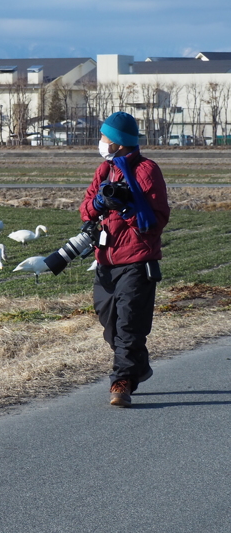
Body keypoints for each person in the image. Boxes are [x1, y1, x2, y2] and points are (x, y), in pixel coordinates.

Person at [79, 112, 170, 407]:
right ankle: (138, 367)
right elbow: (85, 210)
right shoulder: (104, 171)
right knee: (111, 325)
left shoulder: (147, 171)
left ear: (118, 143)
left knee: (129, 324)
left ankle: (122, 381)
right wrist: (98, 203)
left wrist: (129, 209)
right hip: (106, 260)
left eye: (105, 138)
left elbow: (156, 220)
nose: (101, 143)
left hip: (137, 259)